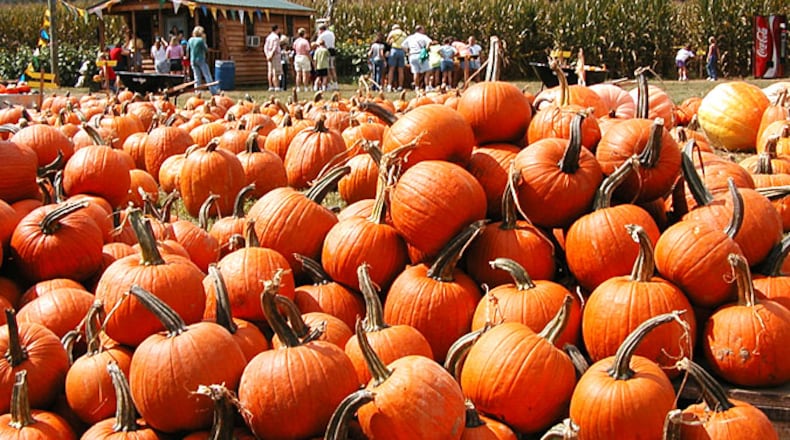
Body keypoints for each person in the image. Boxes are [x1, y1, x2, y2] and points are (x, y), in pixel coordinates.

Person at [188, 26, 219, 94]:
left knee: (197, 77)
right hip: (200, 59)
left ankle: (197, 91)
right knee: (207, 75)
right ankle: (213, 91)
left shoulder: (190, 40)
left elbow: (188, 50)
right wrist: (204, 40)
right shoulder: (200, 40)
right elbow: (206, 49)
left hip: (192, 60)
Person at [402, 25, 433, 91]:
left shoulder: (410, 37)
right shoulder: (423, 36)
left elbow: (403, 45)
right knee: (427, 71)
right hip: (420, 54)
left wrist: (408, 52)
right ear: (420, 30)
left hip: (412, 55)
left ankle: (417, 87)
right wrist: (426, 50)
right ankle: (427, 86)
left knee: (415, 72)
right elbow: (430, 42)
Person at [386, 24, 407, 91]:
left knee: (391, 69)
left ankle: (389, 85)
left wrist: (391, 42)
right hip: (402, 51)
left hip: (394, 50)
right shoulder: (404, 34)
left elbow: (387, 42)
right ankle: (400, 86)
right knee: (401, 70)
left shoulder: (393, 32)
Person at [317, 23, 337, 90]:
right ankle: (335, 84)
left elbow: (318, 43)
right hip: (332, 51)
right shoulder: (331, 33)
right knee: (332, 68)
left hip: (326, 51)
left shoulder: (322, 35)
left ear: (321, 30)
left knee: (327, 68)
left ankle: (328, 84)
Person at [292, 27, 312, 92]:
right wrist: (310, 59)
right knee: (305, 73)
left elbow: (294, 49)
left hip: (297, 56)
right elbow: (307, 51)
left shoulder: (296, 41)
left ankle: (298, 87)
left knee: (298, 73)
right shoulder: (305, 42)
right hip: (304, 57)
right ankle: (305, 87)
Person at [264, 25, 282, 91]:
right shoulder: (276, 37)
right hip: (275, 55)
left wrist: (267, 55)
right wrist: (271, 54)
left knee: (270, 71)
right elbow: (274, 47)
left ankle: (270, 86)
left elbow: (265, 47)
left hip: (269, 54)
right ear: (276, 29)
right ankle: (276, 86)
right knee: (275, 71)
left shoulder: (268, 37)